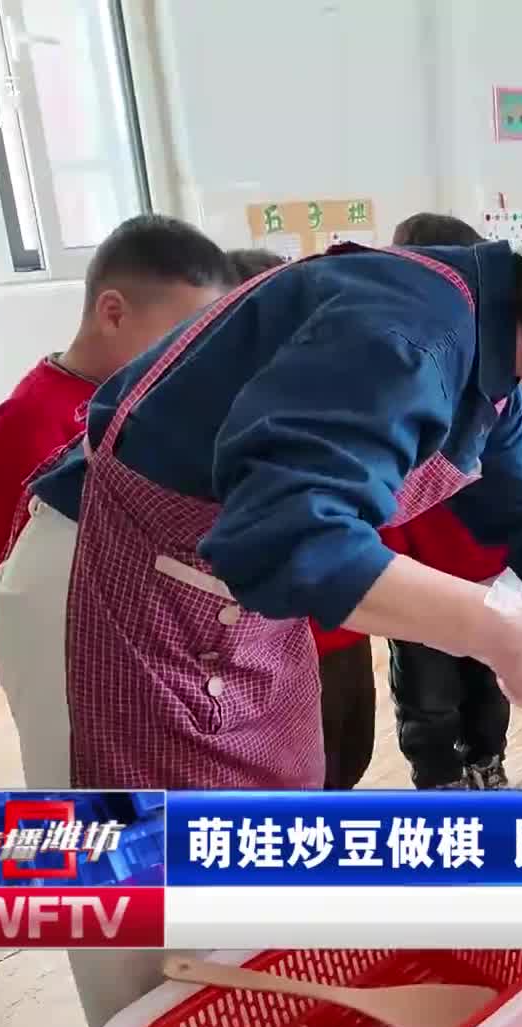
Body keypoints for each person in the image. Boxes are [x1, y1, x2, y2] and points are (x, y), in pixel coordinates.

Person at [0, 145, 522, 1027]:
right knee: (149, 915)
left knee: (257, 878)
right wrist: (500, 629)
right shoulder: (411, 333)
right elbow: (288, 535)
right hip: (106, 594)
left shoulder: (492, 350)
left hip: (223, 606)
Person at [0, 213, 230, 659]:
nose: (191, 358)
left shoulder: (140, 402)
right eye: (180, 337)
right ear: (113, 313)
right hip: (79, 664)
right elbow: (26, 592)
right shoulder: (27, 429)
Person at [222, 246, 389, 789]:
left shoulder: (325, 404)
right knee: (293, 780)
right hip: (263, 650)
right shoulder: (221, 425)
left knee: (349, 756)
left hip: (343, 626)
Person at [379, 211, 516, 791]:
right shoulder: (395, 383)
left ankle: (488, 762)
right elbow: (383, 503)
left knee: (490, 689)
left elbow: (521, 488)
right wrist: (397, 575)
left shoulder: (494, 381)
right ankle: (438, 782)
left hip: (489, 578)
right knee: (428, 700)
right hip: (418, 586)